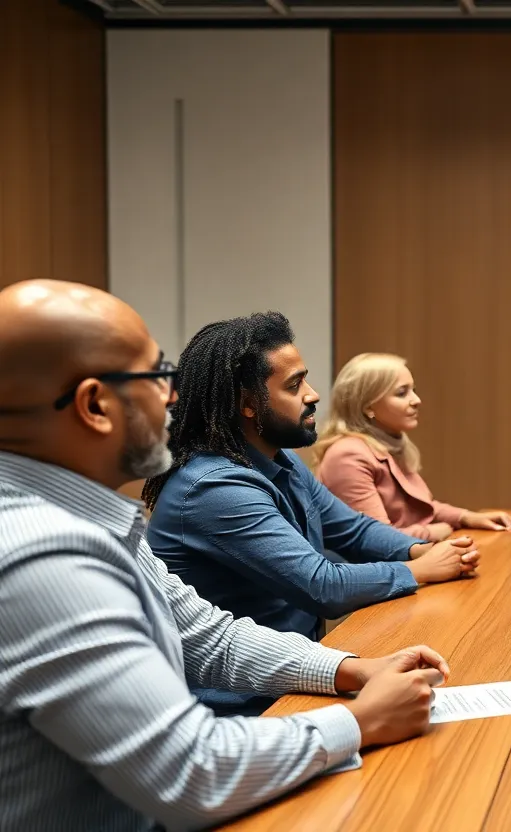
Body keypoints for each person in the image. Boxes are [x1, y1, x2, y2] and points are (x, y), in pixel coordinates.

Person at [0, 280, 451, 831]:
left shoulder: (86, 520)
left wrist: (353, 669)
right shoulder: (43, 557)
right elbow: (192, 773)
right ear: (96, 405)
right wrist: (358, 722)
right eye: (156, 375)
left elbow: (207, 637)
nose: (174, 396)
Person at [144, 313, 479, 713]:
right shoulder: (215, 486)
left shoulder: (277, 459)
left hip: (299, 671)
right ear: (248, 405)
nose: (313, 394)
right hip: (241, 701)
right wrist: (419, 571)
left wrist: (416, 551)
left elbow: (350, 530)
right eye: (294, 385)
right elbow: (321, 587)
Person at [314, 352, 511, 540]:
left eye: (414, 390)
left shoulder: (388, 442)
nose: (417, 400)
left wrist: (467, 517)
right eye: (402, 393)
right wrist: (434, 532)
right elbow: (377, 540)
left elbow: (421, 507)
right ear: (368, 406)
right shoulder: (347, 455)